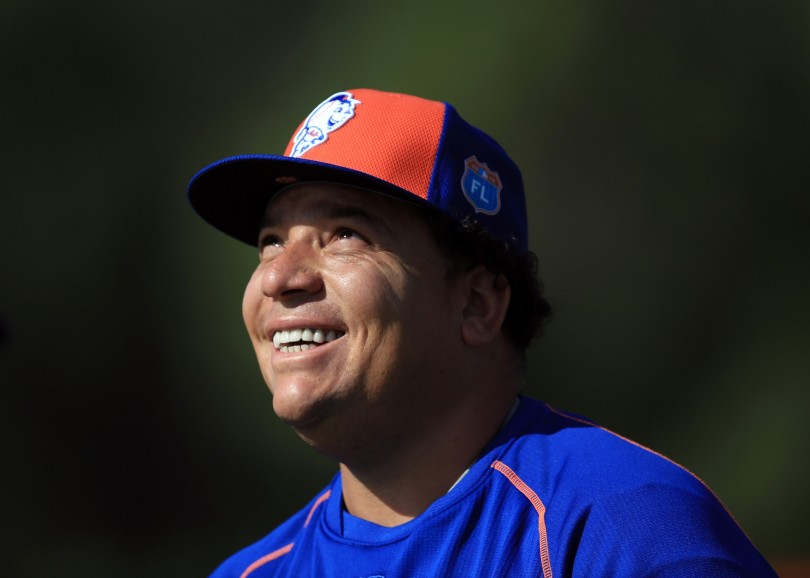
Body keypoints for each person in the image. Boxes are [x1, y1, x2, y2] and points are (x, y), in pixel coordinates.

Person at [187, 88, 777, 577]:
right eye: (270, 241)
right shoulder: (253, 571)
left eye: (346, 233)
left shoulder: (626, 531)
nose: (279, 278)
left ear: (475, 304)